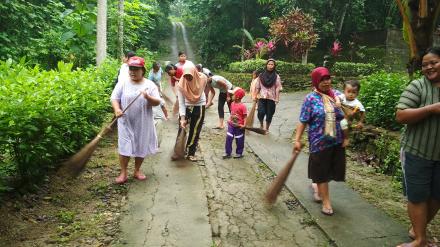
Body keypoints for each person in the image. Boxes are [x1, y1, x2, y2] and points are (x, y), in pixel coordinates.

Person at [395, 47, 440, 247]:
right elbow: (401, 115)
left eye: (434, 62)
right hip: (417, 152)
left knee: (437, 196)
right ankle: (420, 239)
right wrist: (431, 109)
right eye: (424, 65)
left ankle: (417, 229)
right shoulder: (418, 86)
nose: (429, 67)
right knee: (418, 196)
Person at [294, 67, 346, 216]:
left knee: (330, 172)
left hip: (336, 141)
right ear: (316, 81)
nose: (326, 82)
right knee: (322, 173)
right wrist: (297, 140)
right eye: (322, 79)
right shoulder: (310, 99)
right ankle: (326, 202)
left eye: (328, 78)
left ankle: (317, 187)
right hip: (319, 143)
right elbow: (303, 120)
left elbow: (347, 112)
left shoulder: (337, 95)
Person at [110, 56, 161, 184]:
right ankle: (123, 172)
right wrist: (117, 109)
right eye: (131, 68)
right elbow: (114, 98)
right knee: (124, 146)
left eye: (136, 69)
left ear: (142, 70)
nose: (132, 71)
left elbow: (157, 102)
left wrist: (148, 97)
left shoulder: (149, 85)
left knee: (141, 145)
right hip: (125, 121)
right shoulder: (123, 83)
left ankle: (137, 170)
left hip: (143, 122)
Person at [175, 65, 208, 161]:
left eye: (190, 76)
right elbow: (181, 103)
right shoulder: (181, 85)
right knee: (182, 128)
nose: (188, 78)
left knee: (195, 130)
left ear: (195, 74)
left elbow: (204, 90)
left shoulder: (203, 78)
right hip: (186, 106)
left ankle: (191, 152)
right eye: (186, 76)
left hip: (199, 106)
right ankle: (179, 150)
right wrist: (182, 118)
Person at [252, 58, 282, 134]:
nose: (270, 66)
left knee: (269, 114)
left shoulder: (276, 76)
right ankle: (261, 125)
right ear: (266, 65)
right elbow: (257, 87)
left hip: (271, 98)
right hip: (262, 97)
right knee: (260, 112)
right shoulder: (261, 76)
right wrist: (255, 95)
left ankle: (267, 128)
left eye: (272, 64)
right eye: (269, 64)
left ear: (274, 66)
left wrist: (277, 98)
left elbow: (278, 88)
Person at [338, 80, 365, 147]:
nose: (351, 94)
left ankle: (346, 138)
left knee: (343, 123)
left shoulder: (357, 103)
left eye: (354, 92)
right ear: (344, 91)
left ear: (357, 93)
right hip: (339, 116)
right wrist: (338, 101)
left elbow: (363, 112)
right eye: (348, 91)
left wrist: (360, 122)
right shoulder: (342, 96)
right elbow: (336, 98)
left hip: (347, 119)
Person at [223, 88, 247, 159]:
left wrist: (244, 125)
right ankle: (228, 152)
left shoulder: (243, 106)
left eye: (232, 95)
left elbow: (245, 117)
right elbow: (232, 113)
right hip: (231, 125)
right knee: (229, 138)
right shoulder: (232, 104)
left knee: (239, 139)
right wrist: (229, 119)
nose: (231, 96)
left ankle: (239, 153)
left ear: (237, 97)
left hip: (239, 126)